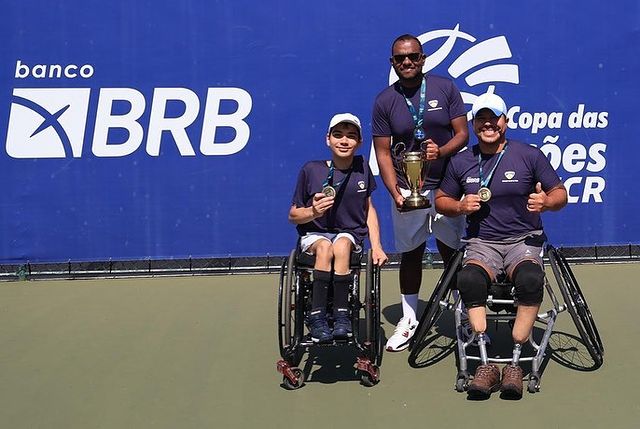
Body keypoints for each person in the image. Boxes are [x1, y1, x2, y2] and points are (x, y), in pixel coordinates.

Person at [435, 92, 568, 398]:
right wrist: (459, 205)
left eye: (493, 118)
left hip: (524, 241)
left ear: (504, 122)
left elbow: (560, 194)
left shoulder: (528, 155)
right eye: (481, 119)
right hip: (482, 242)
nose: (488, 124)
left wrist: (546, 202)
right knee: (467, 279)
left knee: (531, 279)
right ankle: (485, 362)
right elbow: (441, 200)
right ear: (474, 123)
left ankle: (516, 362)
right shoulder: (462, 160)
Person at [372, 34, 469, 351]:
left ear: (423, 57)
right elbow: (383, 153)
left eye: (413, 56)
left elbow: (463, 135)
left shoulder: (445, 88)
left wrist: (440, 151)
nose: (407, 62)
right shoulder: (385, 100)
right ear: (392, 63)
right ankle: (409, 318)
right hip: (407, 189)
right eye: (400, 58)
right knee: (411, 254)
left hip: (446, 186)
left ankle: (463, 315)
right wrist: (395, 192)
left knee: (451, 253)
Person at [289, 113, 388, 343]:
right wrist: (313, 212)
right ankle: (317, 317)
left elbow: (368, 209)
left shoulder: (362, 167)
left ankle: (342, 316)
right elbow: (293, 215)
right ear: (328, 139)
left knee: (342, 246)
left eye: (351, 136)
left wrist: (378, 246)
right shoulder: (311, 170)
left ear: (359, 143)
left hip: (348, 233)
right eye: (338, 135)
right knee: (325, 248)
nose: (344, 141)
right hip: (314, 235)